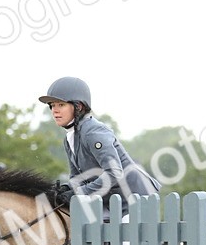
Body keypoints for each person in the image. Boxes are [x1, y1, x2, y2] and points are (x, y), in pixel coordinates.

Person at [40, 77, 159, 216]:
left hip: (135, 199)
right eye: (52, 105)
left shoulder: (93, 132)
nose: (54, 111)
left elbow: (114, 172)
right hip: (110, 202)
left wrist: (78, 193)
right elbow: (78, 177)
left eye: (61, 105)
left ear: (78, 106)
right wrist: (67, 188)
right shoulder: (69, 138)